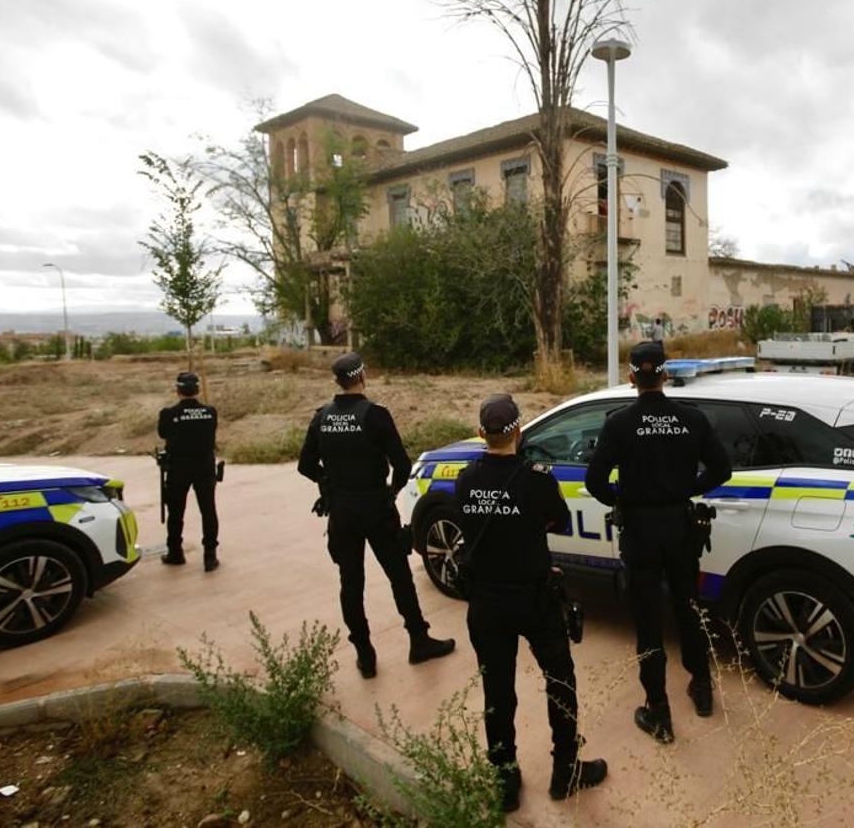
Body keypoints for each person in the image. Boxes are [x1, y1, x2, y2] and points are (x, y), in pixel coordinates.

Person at [455, 393, 608, 812]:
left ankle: (505, 778)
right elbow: (557, 520)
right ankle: (566, 771)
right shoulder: (537, 478)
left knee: (497, 692)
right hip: (534, 598)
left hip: (486, 603)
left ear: (482, 433)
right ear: (519, 431)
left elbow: (468, 524)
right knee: (560, 681)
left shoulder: (466, 479)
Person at [584, 341, 731, 743]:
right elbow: (722, 469)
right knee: (689, 608)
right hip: (681, 527)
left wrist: (624, 498)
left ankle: (659, 713)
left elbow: (594, 482)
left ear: (632, 377)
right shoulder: (692, 419)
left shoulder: (618, 423)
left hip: (641, 532)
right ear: (665, 375)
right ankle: (701, 689)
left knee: (648, 621)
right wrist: (687, 488)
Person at [297, 352, 455, 679]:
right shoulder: (376, 415)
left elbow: (305, 466)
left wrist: (329, 484)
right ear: (362, 377)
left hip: (341, 511)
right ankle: (418, 640)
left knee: (351, 583)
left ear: (337, 381)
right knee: (399, 576)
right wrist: (391, 493)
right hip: (376, 509)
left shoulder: (321, 417)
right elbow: (402, 465)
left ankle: (365, 654)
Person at [157, 371, 220, 572]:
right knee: (208, 511)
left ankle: (175, 551)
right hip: (205, 468)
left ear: (178, 391)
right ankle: (210, 556)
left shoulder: (169, 414)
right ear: (198, 390)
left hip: (179, 469)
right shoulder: (210, 412)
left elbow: (162, 433)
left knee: (176, 512)